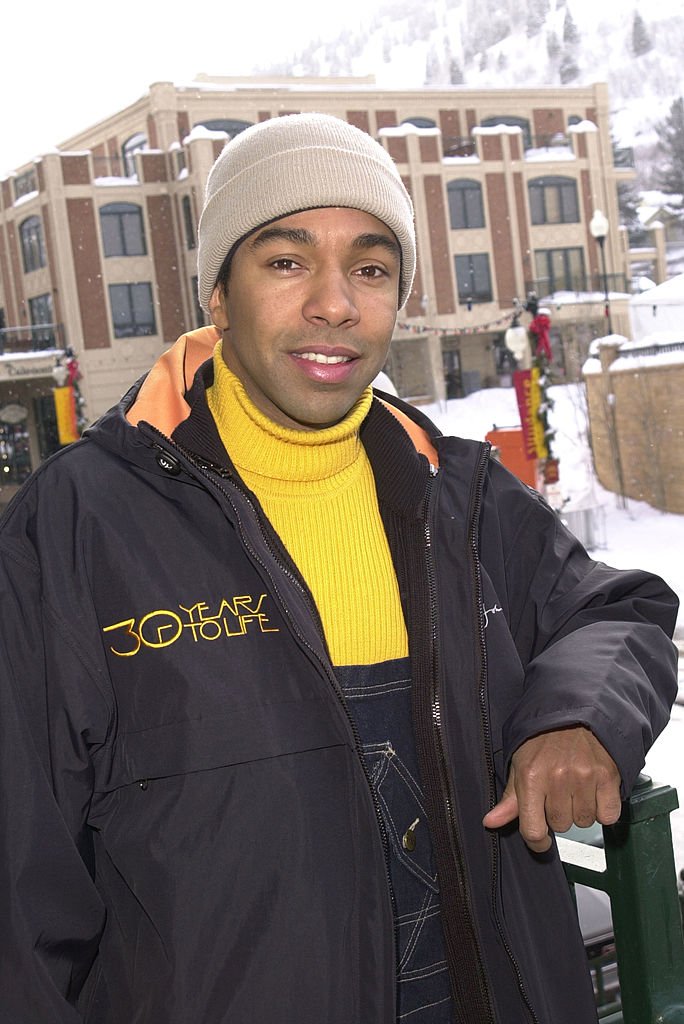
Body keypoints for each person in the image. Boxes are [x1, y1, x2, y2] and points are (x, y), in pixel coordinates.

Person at [0, 113, 678, 1024]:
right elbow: (23, 891)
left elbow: (618, 609)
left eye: (371, 268)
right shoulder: (79, 528)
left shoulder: (459, 495)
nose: (335, 304)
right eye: (286, 262)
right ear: (217, 293)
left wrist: (575, 717)